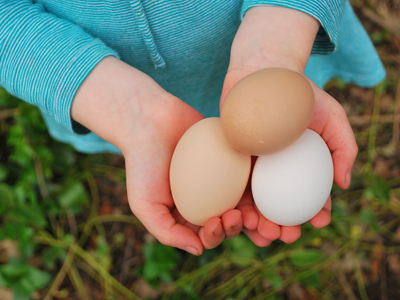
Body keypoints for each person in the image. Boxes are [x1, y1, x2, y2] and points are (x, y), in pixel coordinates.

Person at [0, 0, 385, 256]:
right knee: (244, 126)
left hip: (268, 49)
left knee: (268, 112)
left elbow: (269, 107)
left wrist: (279, 37)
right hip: (103, 86)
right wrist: (117, 105)